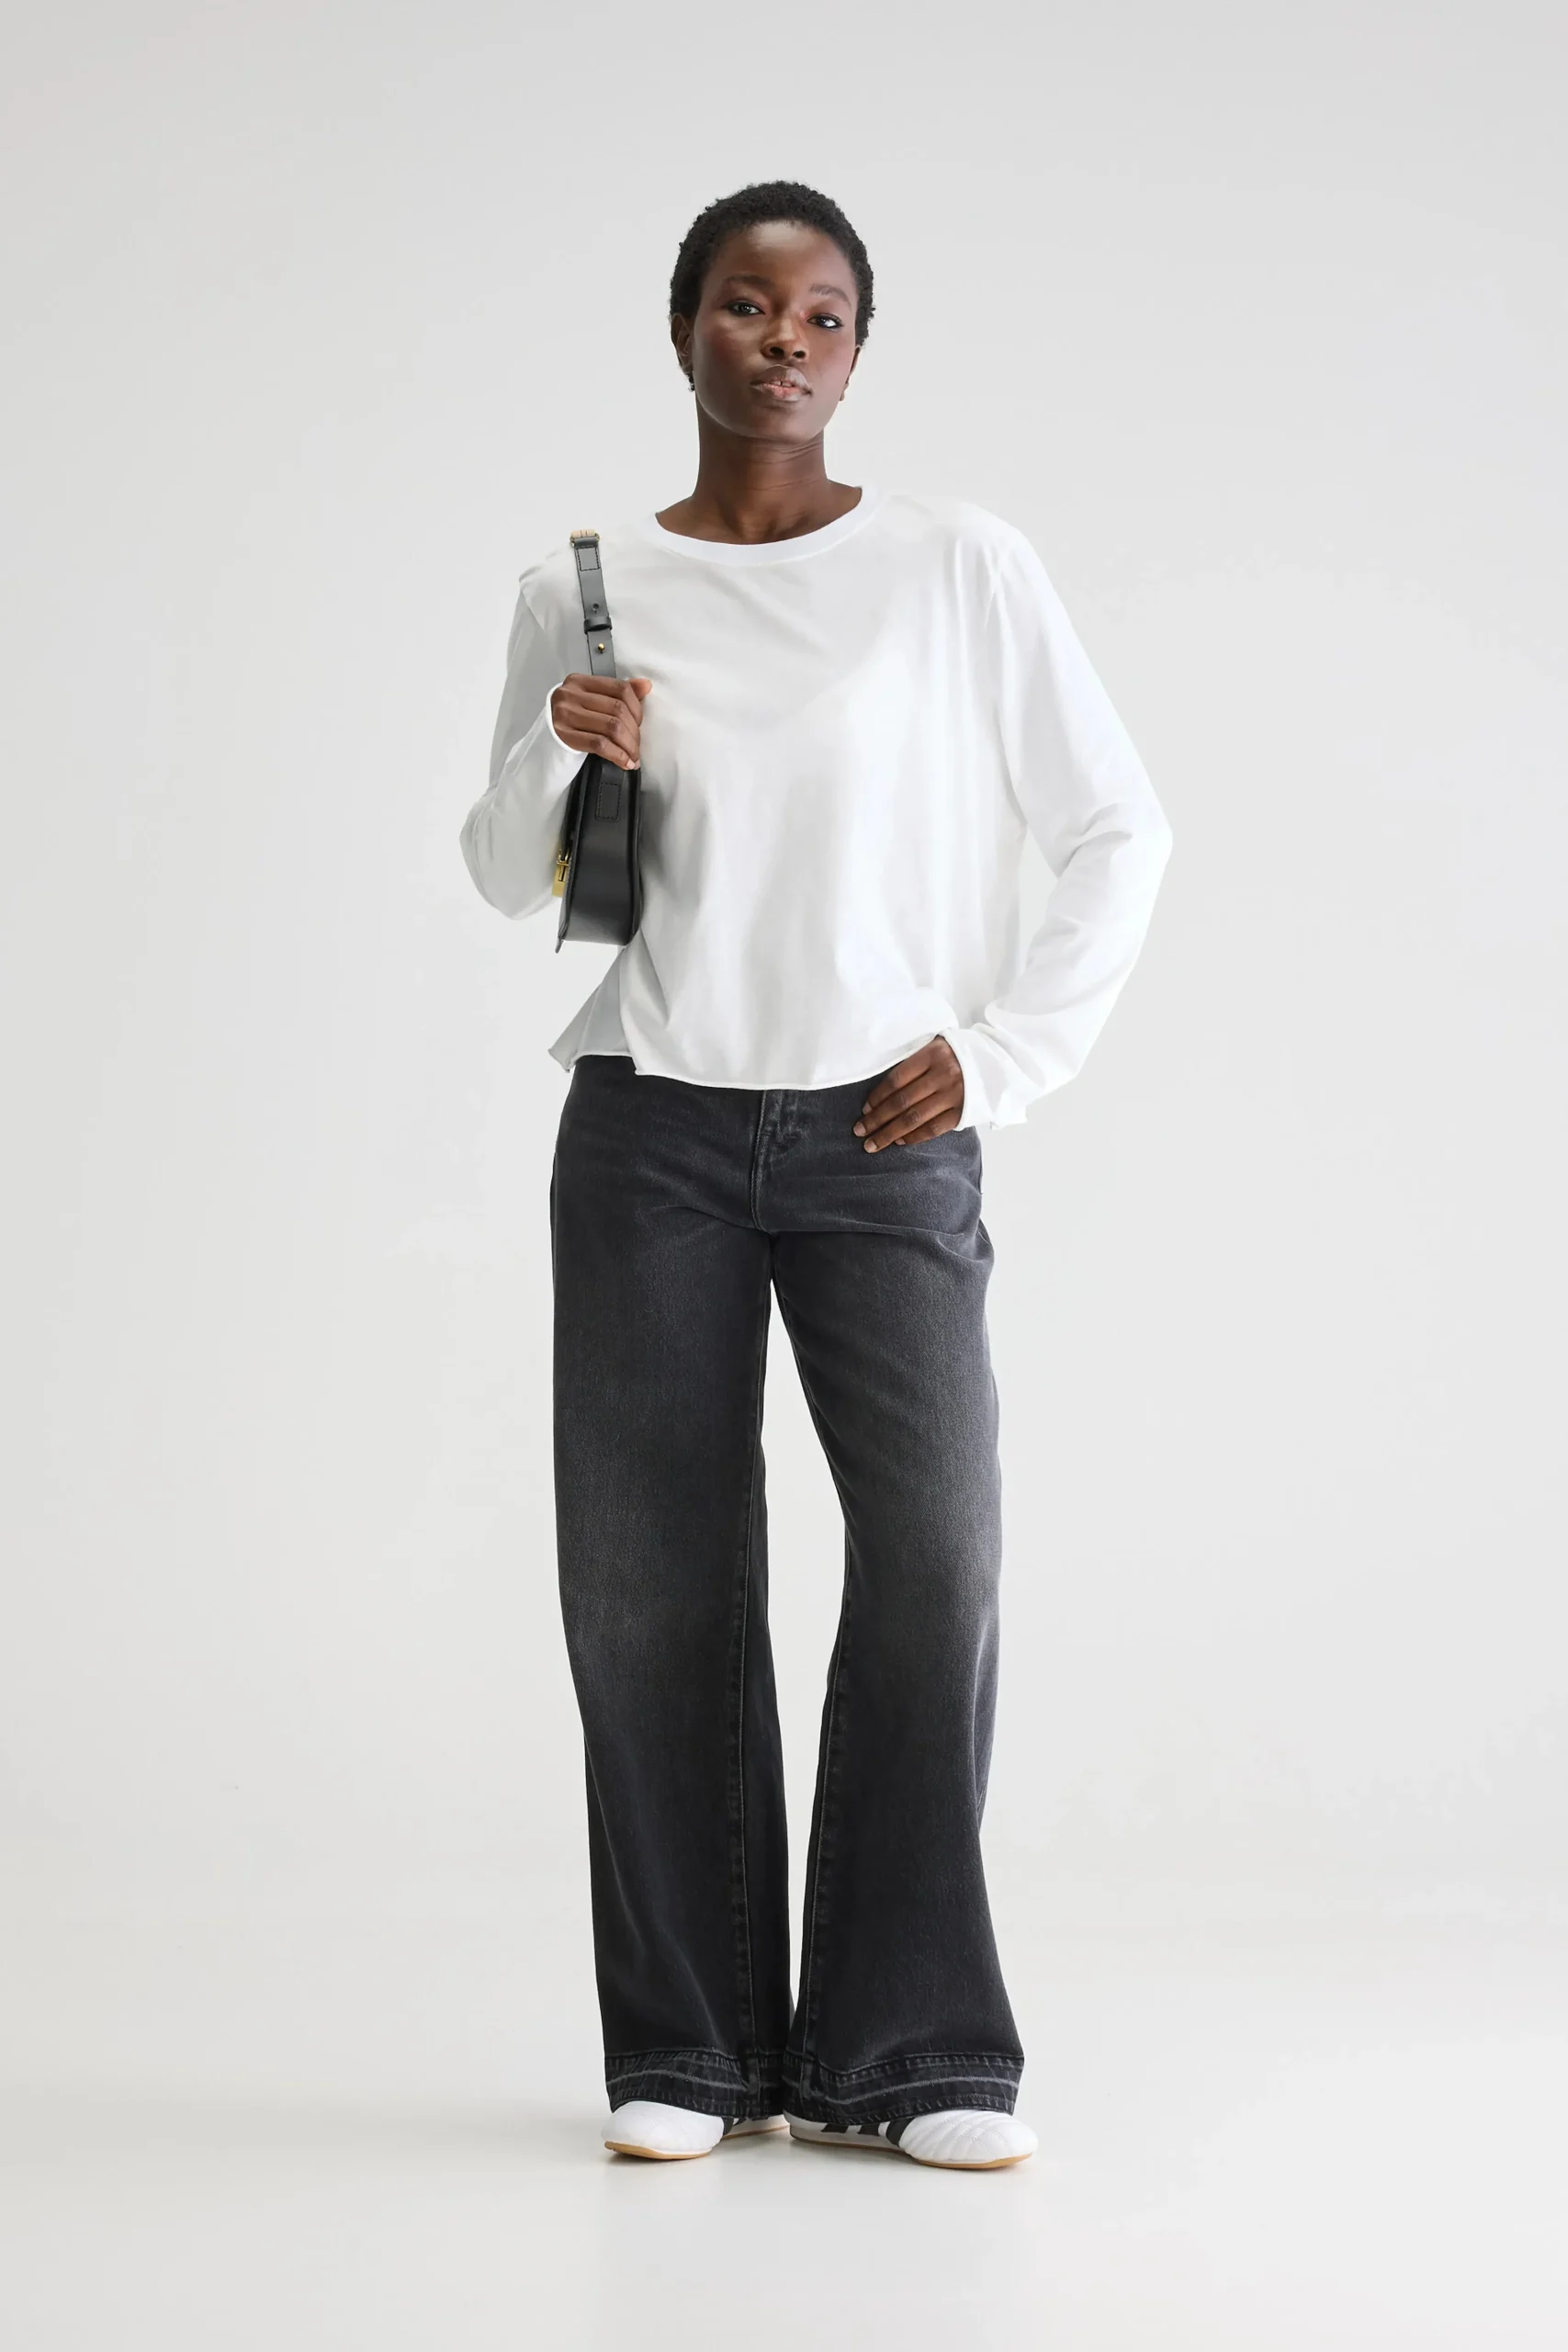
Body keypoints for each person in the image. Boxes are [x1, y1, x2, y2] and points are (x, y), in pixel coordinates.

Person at [458, 181, 1173, 2171]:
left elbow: (1117, 826)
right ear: (681, 324)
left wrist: (1005, 1055)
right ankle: (689, 2051)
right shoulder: (584, 582)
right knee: (652, 1586)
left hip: (885, 1131)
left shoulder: (955, 565)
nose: (784, 339)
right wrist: (559, 749)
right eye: (746, 304)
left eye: (824, 313)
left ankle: (910, 2049)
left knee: (936, 1559)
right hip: (653, 1130)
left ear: (858, 348)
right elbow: (501, 867)